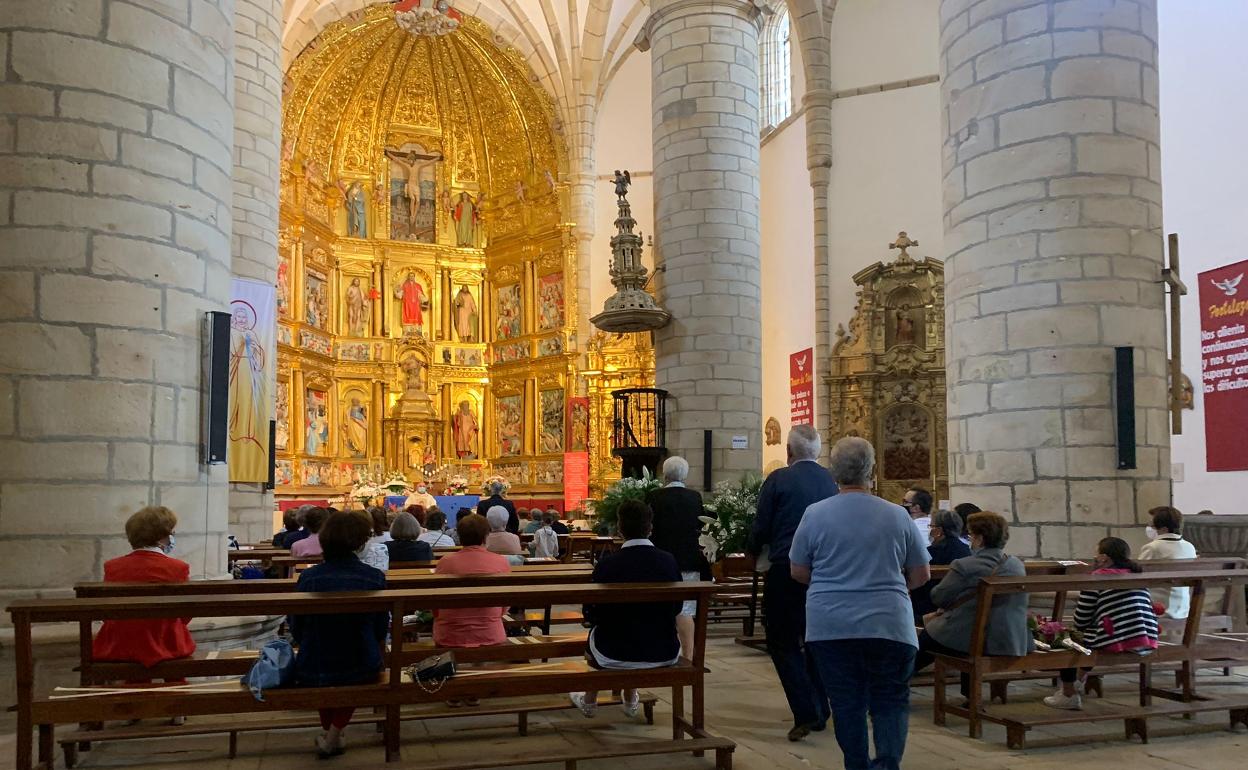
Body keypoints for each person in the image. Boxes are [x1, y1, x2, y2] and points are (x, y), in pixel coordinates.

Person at [790, 437, 930, 770]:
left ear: (833, 472)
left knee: (846, 702)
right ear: (872, 471)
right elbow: (922, 573)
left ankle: (857, 765)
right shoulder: (897, 515)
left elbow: (797, 570)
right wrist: (891, 588)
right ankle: (887, 764)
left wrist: (831, 585)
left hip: (831, 624)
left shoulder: (815, 514)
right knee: (890, 700)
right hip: (889, 622)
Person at [747, 424, 839, 741]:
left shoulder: (779, 479)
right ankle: (821, 706)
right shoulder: (831, 479)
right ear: (818, 451)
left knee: (783, 642)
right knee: (814, 640)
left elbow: (762, 526)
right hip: (824, 573)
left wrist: (752, 550)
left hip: (786, 570)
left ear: (788, 451)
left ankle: (806, 711)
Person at [569, 500, 682, 718]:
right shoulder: (668, 561)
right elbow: (676, 607)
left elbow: (592, 613)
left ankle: (590, 700)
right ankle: (630, 698)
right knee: (637, 623)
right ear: (650, 527)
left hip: (613, 652)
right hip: (662, 650)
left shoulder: (608, 564)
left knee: (603, 629)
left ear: (619, 528)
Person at [290, 510, 389, 758]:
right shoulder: (373, 577)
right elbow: (380, 626)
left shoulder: (309, 577)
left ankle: (332, 734)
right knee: (353, 667)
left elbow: (297, 624)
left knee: (329, 670)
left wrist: (305, 643)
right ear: (360, 542)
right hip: (361, 660)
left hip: (315, 659)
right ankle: (334, 734)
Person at [912, 512, 1031, 700]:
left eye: (970, 535)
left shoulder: (965, 565)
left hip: (970, 638)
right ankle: (970, 695)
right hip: (1005, 637)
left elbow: (938, 596)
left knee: (929, 639)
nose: (969, 540)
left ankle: (896, 680)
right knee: (968, 625)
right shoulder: (1016, 565)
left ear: (980, 538)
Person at [1045, 537, 1159, 710]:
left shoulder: (1097, 578)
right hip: (1146, 637)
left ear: (1104, 558)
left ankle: (1068, 694)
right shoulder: (1136, 574)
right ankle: (1078, 682)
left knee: (1065, 640)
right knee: (1090, 635)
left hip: (1117, 639)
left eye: (1096, 554)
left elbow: (1081, 619)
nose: (1094, 557)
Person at [93, 507, 196, 669]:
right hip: (166, 643)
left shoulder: (112, 567)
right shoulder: (177, 568)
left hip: (120, 643)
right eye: (172, 533)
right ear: (162, 537)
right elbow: (185, 614)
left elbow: (107, 611)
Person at [646, 455, 709, 658]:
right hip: (688, 558)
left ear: (664, 475)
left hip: (660, 560)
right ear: (685, 475)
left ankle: (659, 652)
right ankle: (688, 656)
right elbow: (700, 525)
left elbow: (648, 527)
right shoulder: (694, 497)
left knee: (659, 608)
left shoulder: (654, 497)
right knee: (685, 609)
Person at [433, 514, 511, 649]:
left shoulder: (445, 562)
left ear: (460, 536)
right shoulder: (500, 561)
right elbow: (505, 604)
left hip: (450, 633)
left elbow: (435, 604)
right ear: (485, 536)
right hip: (490, 631)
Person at [909, 509, 972, 624]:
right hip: (959, 609)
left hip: (929, 608)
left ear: (938, 531)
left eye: (931, 526)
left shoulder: (929, 554)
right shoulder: (967, 551)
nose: (930, 530)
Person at [1138, 505, 1198, 618]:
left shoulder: (1153, 548)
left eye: (1152, 525)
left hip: (1160, 607)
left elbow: (1137, 576)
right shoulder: (1189, 546)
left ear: (1164, 529)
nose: (1150, 527)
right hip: (1183, 607)